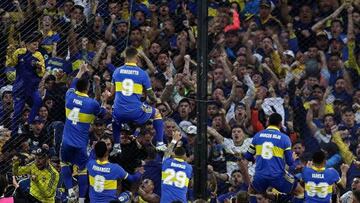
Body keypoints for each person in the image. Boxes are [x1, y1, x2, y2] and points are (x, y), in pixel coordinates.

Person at [60, 63, 108, 202]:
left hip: (67, 142)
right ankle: (81, 200)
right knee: (82, 170)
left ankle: (70, 191)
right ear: (87, 88)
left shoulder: (69, 96)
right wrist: (103, 99)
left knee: (64, 163)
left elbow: (73, 84)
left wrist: (80, 71)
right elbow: (103, 113)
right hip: (81, 144)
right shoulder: (91, 103)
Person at [111, 47, 166, 155]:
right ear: (136, 57)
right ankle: (160, 143)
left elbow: (112, 93)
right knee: (157, 114)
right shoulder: (142, 73)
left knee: (115, 118)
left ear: (126, 57)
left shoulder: (116, 71)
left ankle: (116, 146)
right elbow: (150, 93)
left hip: (119, 110)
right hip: (136, 110)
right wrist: (156, 99)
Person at [244, 113, 304, 202]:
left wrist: (256, 158)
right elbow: (290, 162)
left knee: (251, 192)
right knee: (300, 192)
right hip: (278, 176)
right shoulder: (285, 138)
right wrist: (293, 158)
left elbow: (248, 156)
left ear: (268, 122)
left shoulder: (258, 135)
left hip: (260, 176)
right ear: (280, 124)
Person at [6, 31, 45, 135]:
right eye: (34, 44)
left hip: (32, 88)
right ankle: (13, 135)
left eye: (37, 44)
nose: (36, 47)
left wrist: (39, 67)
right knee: (17, 113)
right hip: (20, 88)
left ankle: (28, 122)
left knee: (38, 101)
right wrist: (10, 53)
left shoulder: (39, 55)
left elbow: (42, 73)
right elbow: (10, 63)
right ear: (27, 44)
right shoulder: (19, 52)